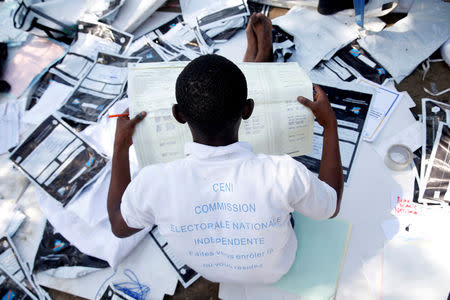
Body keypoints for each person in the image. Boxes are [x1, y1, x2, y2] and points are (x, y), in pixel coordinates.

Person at [107, 13, 343, 284]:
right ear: (248, 110)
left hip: (211, 273)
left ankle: (256, 60)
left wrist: (120, 145)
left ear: (178, 115)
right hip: (278, 269)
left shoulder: (152, 183)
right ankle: (258, 62)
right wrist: (330, 126)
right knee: (272, 176)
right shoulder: (284, 173)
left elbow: (117, 224)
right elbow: (331, 205)